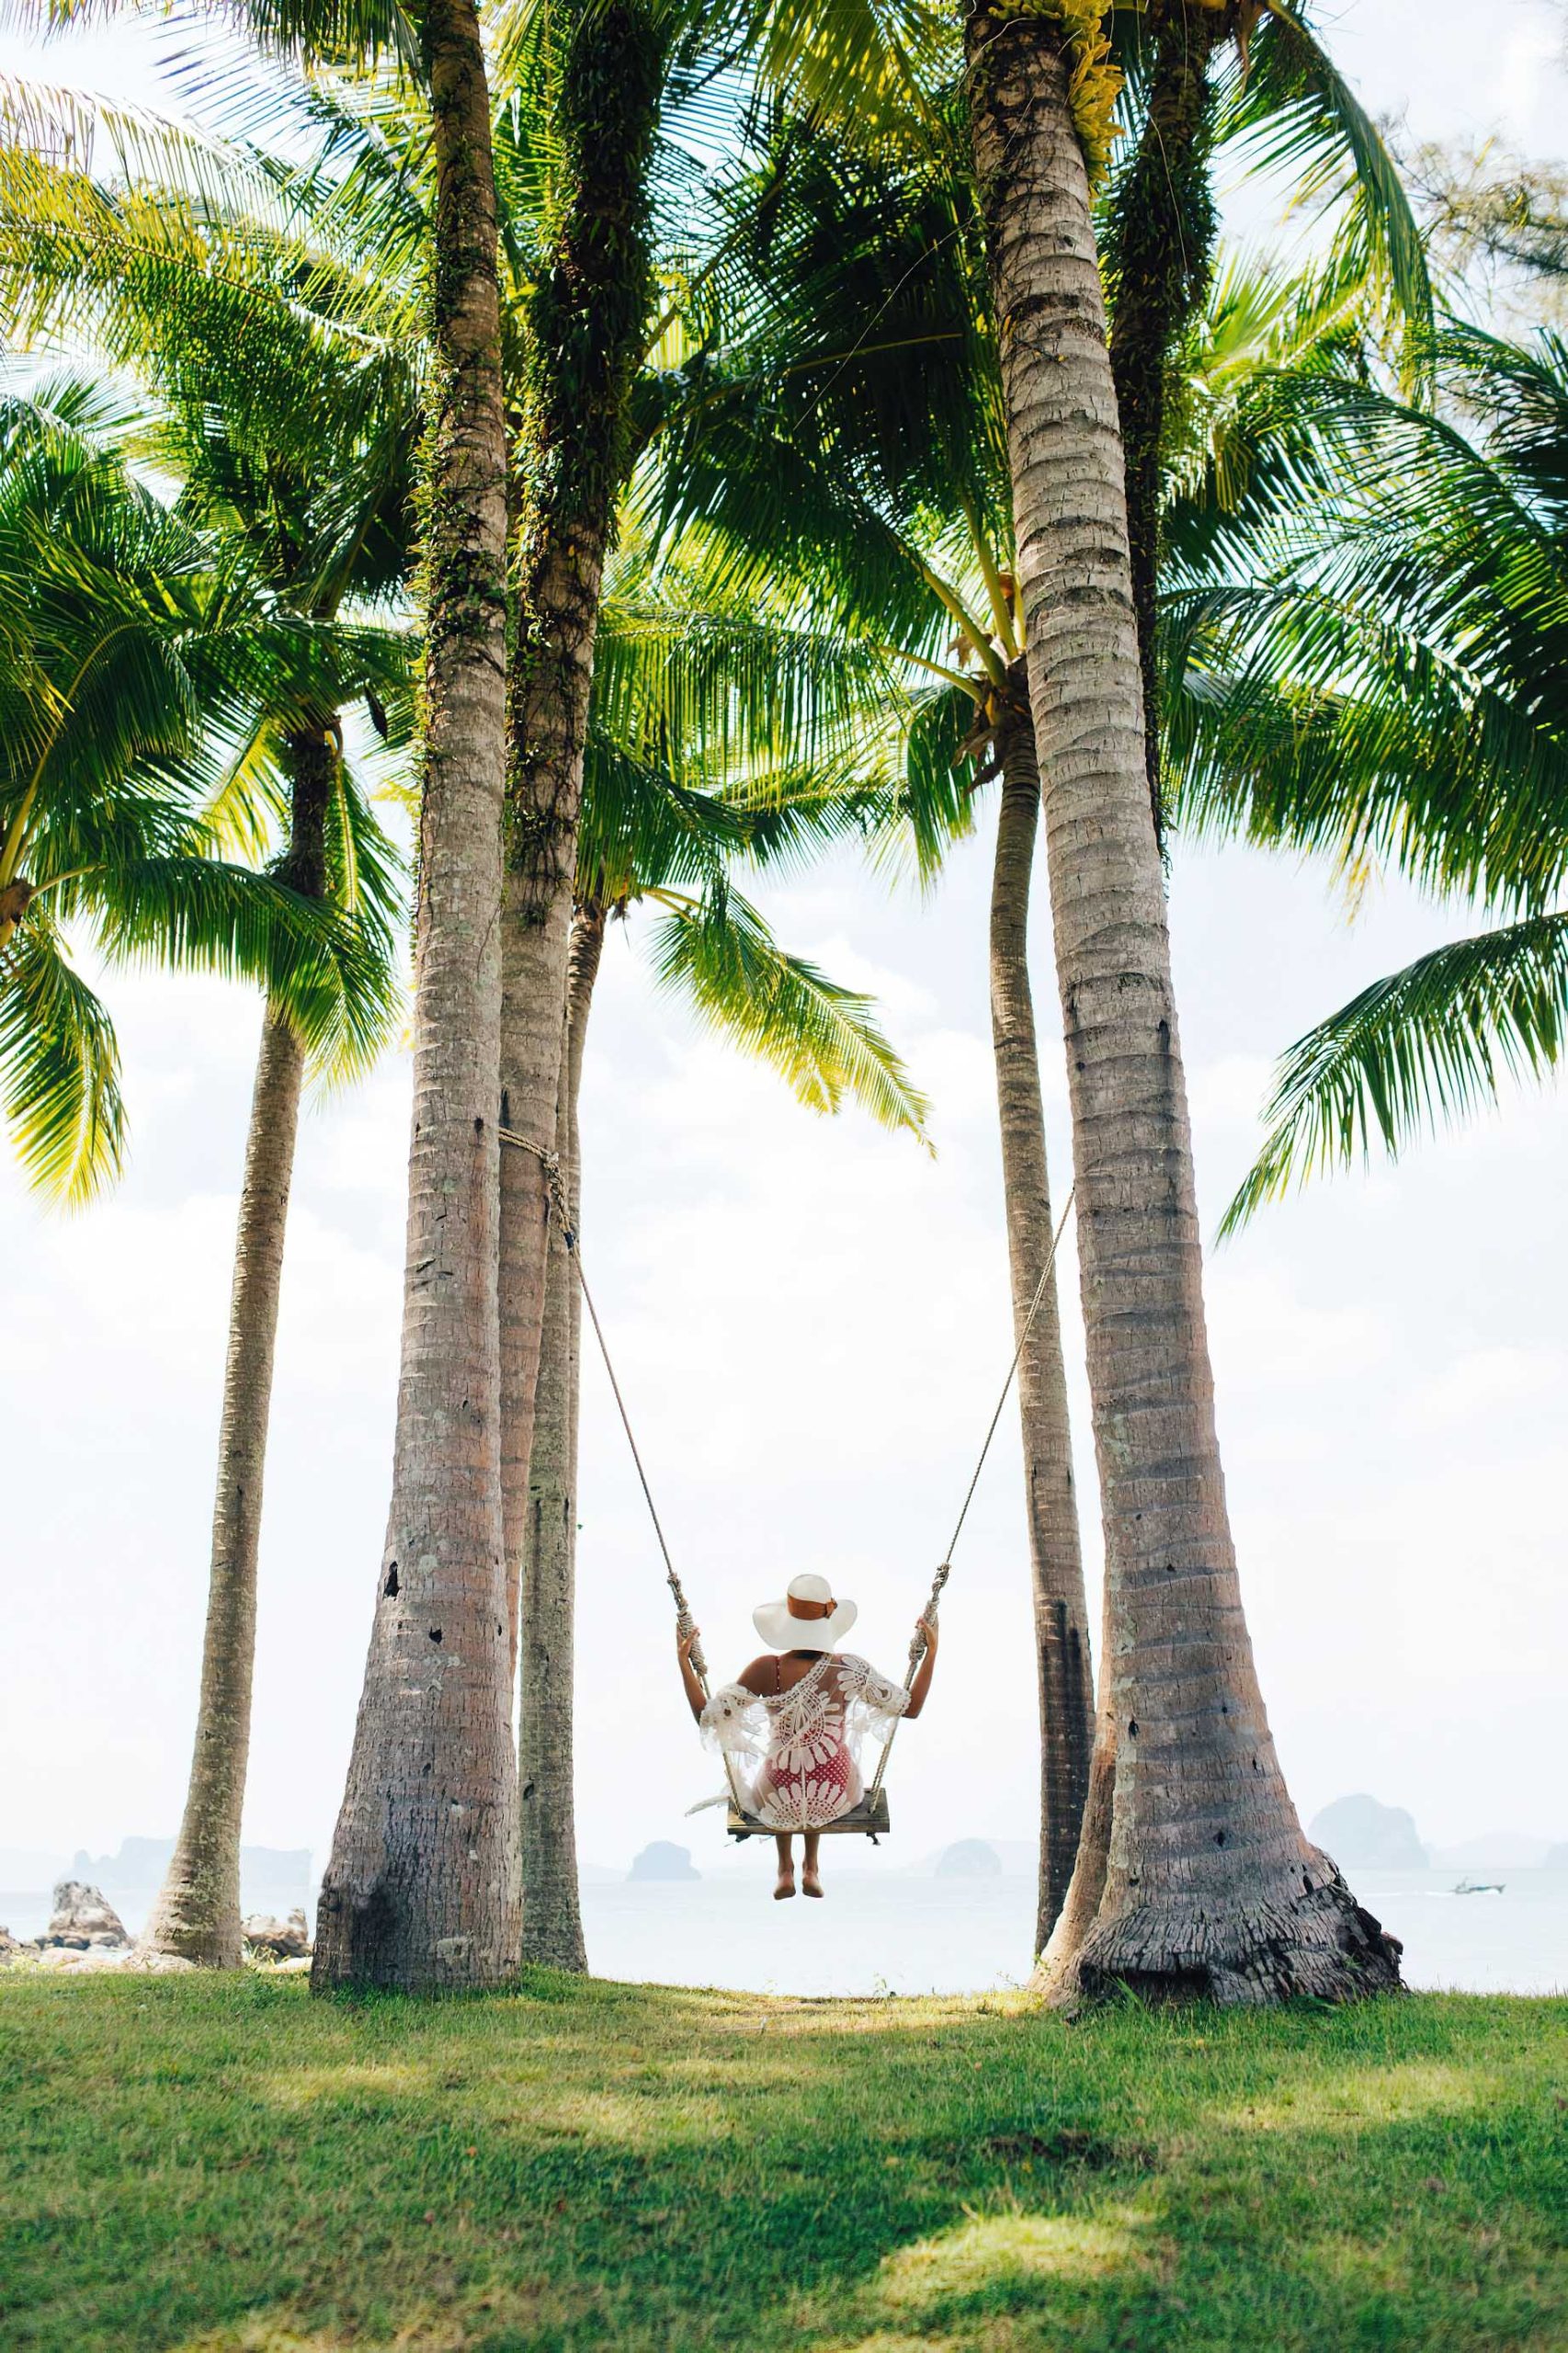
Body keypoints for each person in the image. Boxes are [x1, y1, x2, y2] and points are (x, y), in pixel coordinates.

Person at [676, 1571, 938, 1901]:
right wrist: (932, 1652)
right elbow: (910, 1707)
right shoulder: (848, 1668)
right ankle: (811, 1867)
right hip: (835, 1793)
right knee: (823, 1765)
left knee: (784, 1770)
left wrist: (684, 1662)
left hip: (777, 1794)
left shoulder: (765, 1668)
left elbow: (707, 1716)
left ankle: (784, 1869)